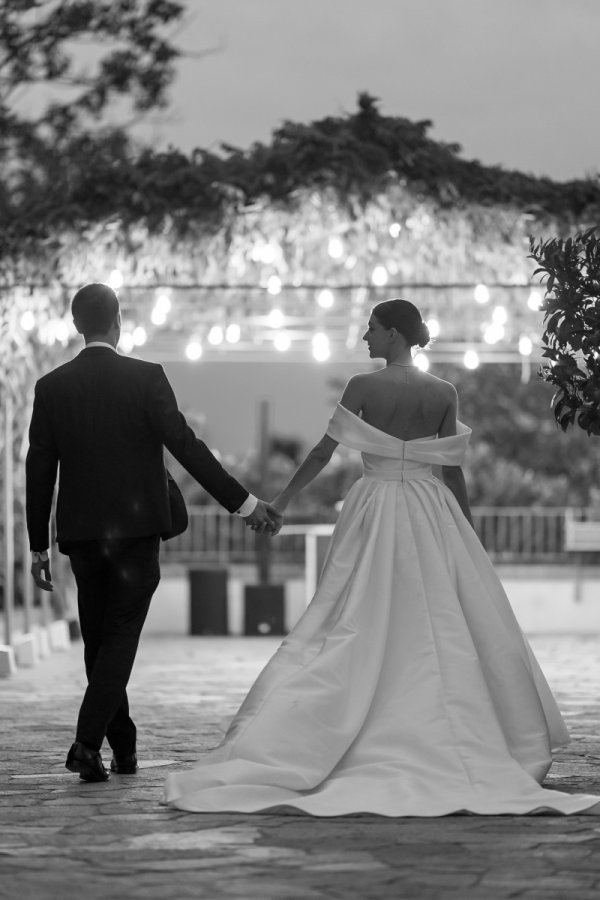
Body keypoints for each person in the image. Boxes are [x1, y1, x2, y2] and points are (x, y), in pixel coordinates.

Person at [164, 297, 600, 816]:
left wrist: (280, 502)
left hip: (375, 505)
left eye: (371, 328)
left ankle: (355, 719)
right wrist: (467, 528)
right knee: (437, 612)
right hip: (429, 506)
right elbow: (451, 468)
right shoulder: (444, 392)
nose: (363, 337)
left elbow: (325, 452)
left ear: (393, 333)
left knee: (356, 612)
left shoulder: (362, 387)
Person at [26, 283, 282, 783]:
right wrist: (245, 504)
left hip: (81, 535)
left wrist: (39, 544)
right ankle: (85, 743)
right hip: (138, 531)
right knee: (118, 638)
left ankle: (122, 747)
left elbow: (40, 471)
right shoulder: (146, 378)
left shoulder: (51, 387)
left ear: (78, 327)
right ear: (118, 323)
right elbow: (187, 446)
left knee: (99, 643)